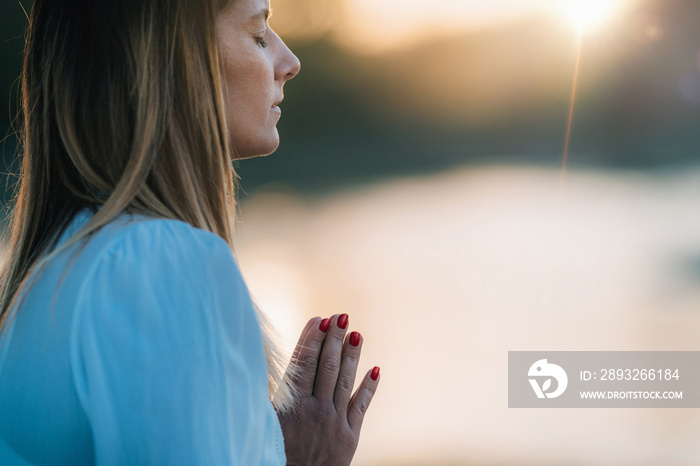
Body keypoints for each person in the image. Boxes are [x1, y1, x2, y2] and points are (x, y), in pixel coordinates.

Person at [0, 0, 380, 464]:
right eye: (259, 35)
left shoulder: (52, 276)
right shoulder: (161, 265)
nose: (289, 62)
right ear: (179, 60)